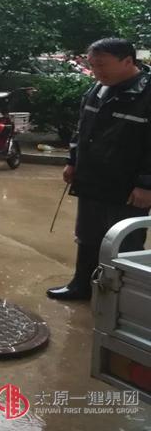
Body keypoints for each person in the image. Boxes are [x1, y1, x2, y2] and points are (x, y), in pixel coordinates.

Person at [47, 38, 150, 301]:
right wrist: (73, 161)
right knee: (88, 236)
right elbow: (82, 128)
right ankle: (81, 285)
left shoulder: (146, 95)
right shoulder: (98, 89)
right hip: (92, 178)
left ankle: (121, 299)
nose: (96, 71)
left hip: (127, 185)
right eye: (92, 65)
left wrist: (146, 184)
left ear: (128, 61)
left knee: (124, 241)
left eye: (102, 65)